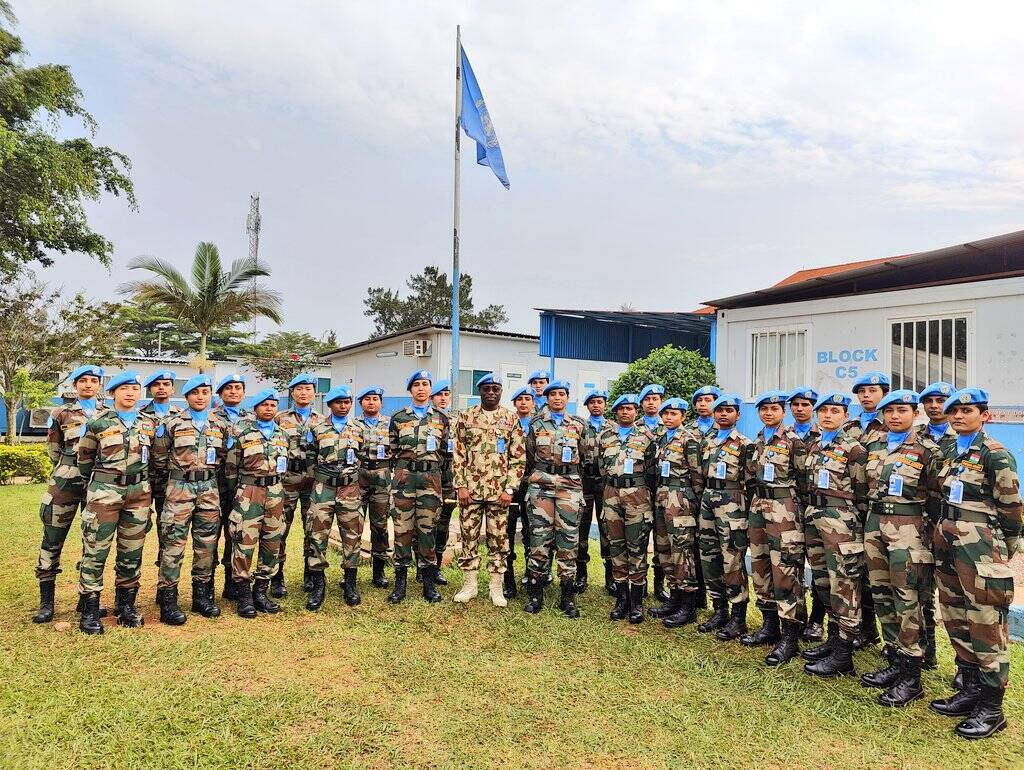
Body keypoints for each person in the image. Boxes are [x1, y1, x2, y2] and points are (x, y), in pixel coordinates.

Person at [929, 387, 1020, 739]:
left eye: (967, 410)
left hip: (981, 548)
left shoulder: (995, 454)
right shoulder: (950, 449)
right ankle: (968, 690)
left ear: (985, 415)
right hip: (949, 544)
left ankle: (992, 707)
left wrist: (999, 553)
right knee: (954, 614)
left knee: (985, 622)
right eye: (953, 410)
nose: (957, 415)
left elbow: (1012, 512)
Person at [860, 389, 942, 706]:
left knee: (907, 600)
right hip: (874, 525)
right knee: (882, 595)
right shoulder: (875, 445)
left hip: (909, 530)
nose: (895, 416)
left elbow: (938, 495)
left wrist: (930, 534)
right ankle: (895, 662)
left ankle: (912, 678)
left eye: (901, 410)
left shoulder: (927, 450)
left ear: (915, 413)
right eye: (889, 410)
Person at [76, 371, 157, 634]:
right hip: (105, 494)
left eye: (135, 388)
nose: (131, 393)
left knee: (131, 552)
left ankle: (126, 607)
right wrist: (100, 486)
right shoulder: (98, 422)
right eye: (124, 389)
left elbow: (155, 460)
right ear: (112, 393)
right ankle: (89, 610)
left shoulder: (149, 423)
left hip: (139, 494)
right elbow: (84, 460)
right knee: (96, 551)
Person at [32, 365, 109, 624]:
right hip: (65, 482)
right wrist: (66, 470)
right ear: (75, 385)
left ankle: (85, 599)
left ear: (100, 385)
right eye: (83, 381)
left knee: (93, 540)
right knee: (53, 538)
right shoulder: (61, 413)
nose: (88, 385)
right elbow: (54, 449)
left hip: (97, 483)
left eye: (93, 381)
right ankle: (46, 603)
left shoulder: (109, 414)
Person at [801, 392, 868, 677]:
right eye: (824, 411)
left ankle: (844, 654)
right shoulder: (816, 445)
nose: (828, 415)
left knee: (844, 585)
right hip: (815, 518)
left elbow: (863, 493)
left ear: (845, 415)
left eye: (835, 411)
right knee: (823, 582)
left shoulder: (854, 450)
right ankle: (832, 640)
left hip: (842, 523)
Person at [151, 374, 227, 624]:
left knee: (206, 545)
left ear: (210, 395)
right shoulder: (171, 423)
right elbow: (159, 460)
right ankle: (169, 600)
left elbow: (226, 457)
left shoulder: (220, 425)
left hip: (209, 489)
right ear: (186, 397)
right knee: (173, 544)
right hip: (179, 488)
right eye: (195, 393)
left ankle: (201, 597)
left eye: (205, 393)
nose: (200, 397)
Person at [742, 390, 809, 666]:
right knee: (760, 567)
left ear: (784, 411)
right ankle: (769, 626)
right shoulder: (759, 439)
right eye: (764, 409)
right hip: (758, 508)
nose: (768, 413)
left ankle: (790, 637)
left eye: (774, 409)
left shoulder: (795, 441)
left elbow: (805, 481)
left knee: (786, 572)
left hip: (785, 511)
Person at [452, 374, 526, 606]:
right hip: (470, 492)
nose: (491, 392)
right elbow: (458, 454)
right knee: (469, 537)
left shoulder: (510, 418)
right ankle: (469, 586)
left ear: (501, 392)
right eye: (486, 389)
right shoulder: (466, 417)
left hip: (499, 493)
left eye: (495, 389)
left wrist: (510, 489)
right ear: (480, 391)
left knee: (499, 540)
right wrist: (461, 485)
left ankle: (496, 589)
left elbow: (518, 457)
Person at [523, 380, 594, 616]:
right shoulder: (536, 424)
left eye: (561, 394)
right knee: (539, 539)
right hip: (541, 486)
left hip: (569, 487)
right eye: (553, 394)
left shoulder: (578, 425)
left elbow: (586, 456)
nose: (557, 398)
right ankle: (536, 593)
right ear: (547, 398)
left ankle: (568, 596)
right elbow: (530, 455)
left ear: (567, 397)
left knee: (568, 539)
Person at [387, 369, 450, 604]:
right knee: (402, 530)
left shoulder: (441, 419)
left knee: (428, 530)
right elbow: (392, 449)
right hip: (404, 478)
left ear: (430, 389)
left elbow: (445, 452)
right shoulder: (399, 417)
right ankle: (400, 583)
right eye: (417, 385)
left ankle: (429, 583)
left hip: (430, 480)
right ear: (410, 390)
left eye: (425, 384)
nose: (421, 388)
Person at [226, 388, 289, 618]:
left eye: (273, 405)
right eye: (264, 405)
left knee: (272, 542)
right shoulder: (242, 433)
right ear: (256, 408)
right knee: (244, 542)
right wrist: (240, 493)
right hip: (249, 493)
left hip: (275, 492)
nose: (269, 408)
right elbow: (231, 468)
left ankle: (261, 592)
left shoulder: (283, 435)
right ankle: (244, 597)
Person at [695, 394, 753, 640]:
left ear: (738, 415)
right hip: (708, 499)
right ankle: (719, 610)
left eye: (729, 410)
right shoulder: (707, 441)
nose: (723, 414)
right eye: (719, 410)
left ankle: (738, 617)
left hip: (732, 503)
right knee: (709, 555)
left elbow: (750, 480)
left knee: (732, 559)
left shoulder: (744, 444)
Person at [600, 394, 658, 623]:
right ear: (616, 412)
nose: (626, 412)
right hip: (612, 495)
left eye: (630, 408)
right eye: (621, 409)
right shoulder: (605, 436)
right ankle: (621, 599)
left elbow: (653, 470)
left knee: (637, 548)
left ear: (636, 412)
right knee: (616, 547)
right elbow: (600, 466)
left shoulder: (646, 436)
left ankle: (636, 603)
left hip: (638, 496)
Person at [305, 385, 364, 610]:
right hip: (323, 489)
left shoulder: (358, 428)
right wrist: (320, 478)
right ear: (329, 405)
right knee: (317, 535)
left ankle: (350, 584)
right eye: (338, 402)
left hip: (350, 490)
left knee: (352, 536)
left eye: (347, 402)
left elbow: (362, 456)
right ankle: (318, 585)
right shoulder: (316, 427)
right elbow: (309, 456)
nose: (343, 405)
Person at [648, 398, 702, 628]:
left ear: (683, 416)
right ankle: (674, 597)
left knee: (682, 551)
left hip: (680, 499)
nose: (669, 417)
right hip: (662, 496)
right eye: (666, 414)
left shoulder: (688, 440)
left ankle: (688, 606)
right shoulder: (662, 438)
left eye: (674, 414)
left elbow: (697, 474)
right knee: (664, 548)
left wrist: (694, 503)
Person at [916, 380, 957, 671]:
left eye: (940, 400)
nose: (934, 406)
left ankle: (964, 666)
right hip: (920, 519)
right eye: (929, 401)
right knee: (921, 586)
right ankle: (925, 649)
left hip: (953, 521)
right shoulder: (914, 437)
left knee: (956, 591)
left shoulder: (966, 438)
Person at [275, 373, 324, 598]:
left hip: (313, 481)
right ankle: (277, 577)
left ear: (314, 393)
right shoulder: (280, 418)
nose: (303, 392)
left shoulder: (322, 420)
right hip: (288, 480)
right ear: (292, 393)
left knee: (312, 528)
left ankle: (309, 573)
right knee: (279, 529)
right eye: (299, 389)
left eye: (308, 388)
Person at [788, 387, 825, 643]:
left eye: (806, 404)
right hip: (788, 507)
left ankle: (817, 620)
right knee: (791, 562)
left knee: (820, 566)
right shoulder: (782, 435)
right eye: (796, 404)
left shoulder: (824, 436)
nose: (800, 408)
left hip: (816, 506)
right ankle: (796, 616)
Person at [212, 373, 249, 599]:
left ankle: (231, 583)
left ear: (244, 393)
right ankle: (207, 587)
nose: (233, 391)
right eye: (228, 388)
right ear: (220, 393)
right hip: (215, 484)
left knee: (236, 532)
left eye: (237, 388)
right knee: (211, 534)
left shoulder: (251, 419)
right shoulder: (210, 418)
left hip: (242, 485)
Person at [141, 369, 180, 572]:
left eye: (166, 384)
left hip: (172, 480)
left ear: (173, 389)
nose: (161, 388)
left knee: (168, 529)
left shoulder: (182, 416)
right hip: (145, 479)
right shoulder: (140, 415)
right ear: (150, 389)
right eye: (157, 385)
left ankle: (163, 577)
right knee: (137, 529)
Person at [353, 385, 391, 589]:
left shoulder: (390, 424)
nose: (371, 402)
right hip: (359, 476)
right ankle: (351, 572)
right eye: (367, 399)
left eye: (375, 399)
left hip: (382, 478)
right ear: (361, 403)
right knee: (353, 525)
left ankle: (379, 572)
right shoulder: (353, 424)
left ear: (381, 403)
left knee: (380, 526)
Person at [638, 383, 669, 602]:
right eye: (647, 399)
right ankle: (640, 582)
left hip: (663, 490)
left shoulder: (669, 426)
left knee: (662, 539)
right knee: (638, 536)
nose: (651, 402)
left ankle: (660, 584)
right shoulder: (634, 426)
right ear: (641, 404)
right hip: (638, 489)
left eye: (655, 398)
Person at [578, 389, 611, 594]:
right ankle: (581, 575)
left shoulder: (613, 428)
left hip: (606, 483)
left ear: (605, 405)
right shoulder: (580, 427)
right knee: (581, 527)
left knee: (607, 527)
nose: (596, 405)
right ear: (587, 406)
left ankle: (611, 577)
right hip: (584, 481)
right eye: (592, 403)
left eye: (599, 402)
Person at [504, 386, 535, 597]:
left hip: (534, 484)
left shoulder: (539, 425)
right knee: (507, 530)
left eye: (527, 399)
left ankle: (530, 574)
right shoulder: (506, 423)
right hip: (510, 484)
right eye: (520, 399)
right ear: (514, 403)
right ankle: (508, 578)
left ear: (533, 403)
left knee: (532, 531)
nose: (524, 403)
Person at [429, 379, 455, 586]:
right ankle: (423, 566)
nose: (443, 398)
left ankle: (436, 567)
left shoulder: (457, 420)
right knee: (425, 521)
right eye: (439, 395)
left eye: (447, 395)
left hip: (449, 480)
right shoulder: (427, 419)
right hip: (429, 477)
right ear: (432, 398)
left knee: (443, 523)